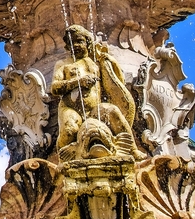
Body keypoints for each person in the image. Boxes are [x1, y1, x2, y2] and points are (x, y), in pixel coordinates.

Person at [51, 25, 137, 159]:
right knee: (70, 129)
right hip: (71, 108)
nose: (76, 45)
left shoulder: (96, 63)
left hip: (94, 110)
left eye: (79, 41)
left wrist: (110, 62)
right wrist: (78, 82)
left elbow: (118, 83)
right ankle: (62, 158)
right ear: (68, 47)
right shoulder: (63, 64)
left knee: (112, 111)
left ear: (88, 42)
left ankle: (132, 149)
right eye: (72, 43)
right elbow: (55, 88)